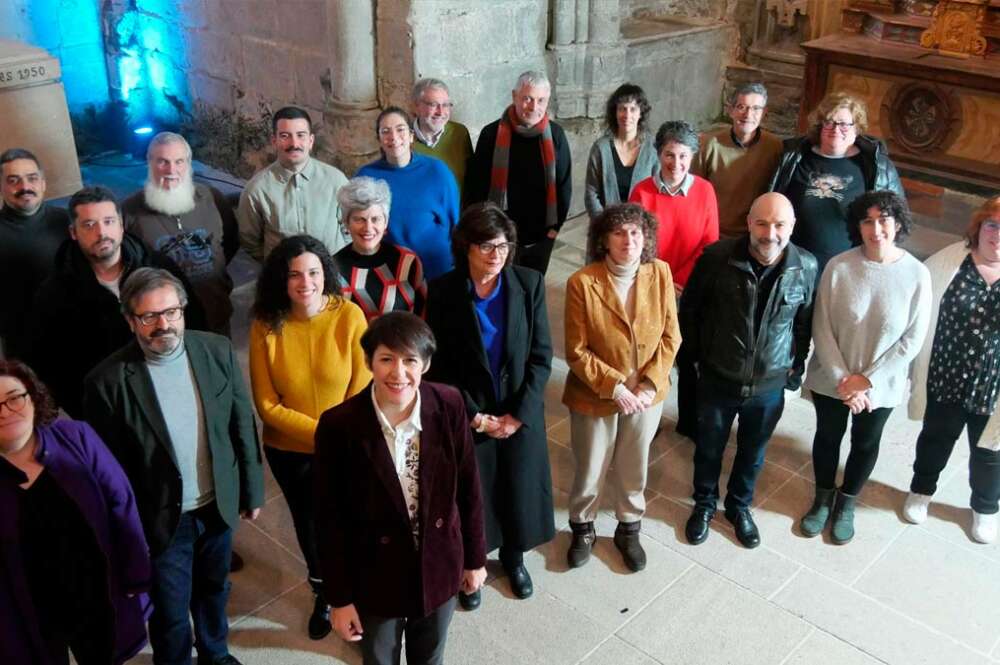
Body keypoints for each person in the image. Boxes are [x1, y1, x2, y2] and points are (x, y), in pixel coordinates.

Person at [84, 268, 265, 665]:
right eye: (149, 316)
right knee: (169, 609)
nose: (163, 324)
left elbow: (241, 424)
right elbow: (108, 472)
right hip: (162, 519)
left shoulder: (216, 350)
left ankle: (215, 654)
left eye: (171, 312)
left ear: (183, 310)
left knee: (215, 589)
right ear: (130, 320)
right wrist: (126, 530)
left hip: (218, 502)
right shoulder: (107, 382)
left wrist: (251, 489)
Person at [315, 312, 486, 665]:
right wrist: (340, 598)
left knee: (430, 657)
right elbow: (328, 520)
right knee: (379, 658)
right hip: (375, 575)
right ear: (369, 362)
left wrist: (474, 559)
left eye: (410, 360)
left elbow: (469, 488)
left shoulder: (449, 404)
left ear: (425, 364)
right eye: (386, 359)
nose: (398, 373)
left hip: (438, 563)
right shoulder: (339, 426)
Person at [425, 202, 554, 609]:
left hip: (517, 411)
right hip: (470, 413)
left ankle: (514, 559)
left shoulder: (529, 284)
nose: (496, 254)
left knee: (516, 488)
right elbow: (439, 366)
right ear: (465, 247)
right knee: (473, 494)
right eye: (485, 246)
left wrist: (518, 415)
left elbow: (541, 356)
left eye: (502, 245)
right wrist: (475, 416)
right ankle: (473, 568)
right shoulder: (445, 291)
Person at [249, 234, 370, 639]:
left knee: (353, 520)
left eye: (314, 272)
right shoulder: (266, 325)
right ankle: (325, 593)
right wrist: (325, 434)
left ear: (326, 274)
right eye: (295, 275)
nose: (306, 283)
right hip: (291, 452)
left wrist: (340, 435)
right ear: (281, 281)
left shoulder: (349, 315)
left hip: (349, 445)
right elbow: (267, 406)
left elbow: (362, 385)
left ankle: (359, 589)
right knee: (312, 526)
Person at [680, 192, 816, 549]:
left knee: (753, 452)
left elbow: (803, 325)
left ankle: (739, 507)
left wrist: (794, 368)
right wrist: (693, 362)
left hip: (769, 384)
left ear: (792, 227)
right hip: (718, 376)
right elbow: (690, 312)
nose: (770, 233)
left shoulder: (807, 266)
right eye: (762, 223)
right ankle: (704, 504)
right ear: (748, 223)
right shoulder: (716, 259)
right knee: (709, 447)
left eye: (779, 224)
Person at [800, 191, 931, 544]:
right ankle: (823, 497)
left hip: (880, 385)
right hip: (832, 378)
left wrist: (866, 381)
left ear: (899, 223)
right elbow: (821, 327)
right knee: (827, 437)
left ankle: (846, 503)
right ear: (857, 225)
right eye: (867, 221)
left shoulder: (917, 274)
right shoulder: (839, 266)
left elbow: (912, 339)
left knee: (865, 442)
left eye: (884, 219)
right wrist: (845, 379)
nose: (876, 229)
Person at [0, 360, 150, 665]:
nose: (5, 411)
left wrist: (136, 573)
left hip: (93, 592)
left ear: (33, 395)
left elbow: (121, 504)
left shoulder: (76, 437)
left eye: (14, 397)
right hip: (27, 606)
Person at [562, 203, 680, 571]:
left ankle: (629, 527)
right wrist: (615, 387)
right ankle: (583, 526)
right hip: (595, 394)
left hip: (646, 396)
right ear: (604, 240)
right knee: (590, 467)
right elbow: (576, 351)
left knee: (634, 466)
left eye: (635, 232)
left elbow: (670, 336)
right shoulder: (583, 282)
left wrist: (648, 385)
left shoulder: (659, 273)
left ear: (645, 237)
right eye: (618, 232)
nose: (628, 240)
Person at [29, 186, 206, 417]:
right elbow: (48, 364)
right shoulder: (54, 294)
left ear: (122, 225)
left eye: (109, 221)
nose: (101, 232)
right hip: (107, 410)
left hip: (173, 392)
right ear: (73, 232)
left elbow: (196, 323)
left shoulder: (159, 268)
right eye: (89, 225)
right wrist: (86, 409)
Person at [904, 195, 1000, 544]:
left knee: (989, 452)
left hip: (992, 386)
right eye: (993, 225)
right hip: (945, 376)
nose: (998, 235)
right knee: (935, 439)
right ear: (980, 227)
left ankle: (985, 508)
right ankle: (921, 491)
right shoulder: (948, 262)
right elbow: (917, 312)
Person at [629, 120, 719, 441]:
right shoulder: (642, 191)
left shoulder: (705, 191)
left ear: (692, 157)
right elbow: (637, 244)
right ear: (658, 154)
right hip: (652, 289)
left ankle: (689, 421)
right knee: (652, 357)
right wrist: (663, 282)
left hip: (690, 288)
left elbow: (709, 243)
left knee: (690, 356)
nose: (676, 164)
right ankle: (649, 419)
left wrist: (679, 280)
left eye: (683, 156)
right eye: (669, 155)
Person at [769, 91, 904, 274]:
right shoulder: (794, 157)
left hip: (848, 269)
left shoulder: (876, 166)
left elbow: (897, 217)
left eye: (844, 124)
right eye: (829, 122)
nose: (835, 129)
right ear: (820, 126)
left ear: (856, 128)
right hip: (793, 266)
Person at [122, 131, 240, 336]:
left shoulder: (212, 198)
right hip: (163, 328)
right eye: (162, 162)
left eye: (179, 161)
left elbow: (229, 241)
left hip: (216, 316)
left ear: (189, 163)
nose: (171, 170)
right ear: (149, 163)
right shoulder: (129, 212)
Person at [465, 71, 572, 275]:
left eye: (541, 100)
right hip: (498, 235)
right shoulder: (491, 134)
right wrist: (484, 230)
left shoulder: (556, 135)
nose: (534, 107)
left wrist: (553, 230)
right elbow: (476, 185)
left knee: (532, 285)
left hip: (540, 234)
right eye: (527, 99)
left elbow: (564, 185)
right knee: (501, 287)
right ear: (515, 96)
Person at [357, 107, 460, 281]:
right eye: (385, 131)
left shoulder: (437, 171)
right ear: (379, 140)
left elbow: (454, 222)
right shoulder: (366, 176)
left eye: (400, 129)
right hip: (389, 271)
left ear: (411, 135)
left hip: (436, 268)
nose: (394, 137)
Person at [238, 106, 350, 262]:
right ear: (274, 141)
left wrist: (335, 263)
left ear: (311, 141)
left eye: (301, 135)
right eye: (285, 136)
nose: (294, 143)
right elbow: (249, 242)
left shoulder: (336, 181)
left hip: (331, 274)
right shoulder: (256, 190)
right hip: (283, 279)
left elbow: (351, 229)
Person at [0, 148, 69, 359]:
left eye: (32, 178)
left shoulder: (67, 222)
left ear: (43, 183)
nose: (25, 187)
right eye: (14, 180)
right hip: (23, 347)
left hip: (74, 331)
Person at [692, 82, 783, 239]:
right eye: (741, 107)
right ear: (730, 110)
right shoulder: (709, 144)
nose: (748, 115)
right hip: (715, 232)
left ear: (764, 113)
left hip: (756, 235)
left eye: (756, 109)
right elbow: (695, 192)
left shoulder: (775, 147)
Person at [333, 176, 427, 320]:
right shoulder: (334, 268)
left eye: (375, 219)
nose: (368, 228)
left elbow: (424, 313)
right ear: (346, 223)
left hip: (405, 342)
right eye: (359, 219)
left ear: (386, 222)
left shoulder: (407, 261)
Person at [584, 84, 659, 222]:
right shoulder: (601, 148)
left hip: (640, 228)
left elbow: (658, 192)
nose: (627, 115)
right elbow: (591, 192)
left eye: (633, 109)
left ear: (640, 113)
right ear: (615, 112)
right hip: (606, 226)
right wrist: (604, 225)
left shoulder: (653, 149)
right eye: (622, 109)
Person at [411, 77, 474, 201]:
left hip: (459, 217)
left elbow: (471, 180)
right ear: (416, 106)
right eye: (433, 105)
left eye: (445, 105)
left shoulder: (459, 133)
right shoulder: (403, 141)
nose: (440, 112)